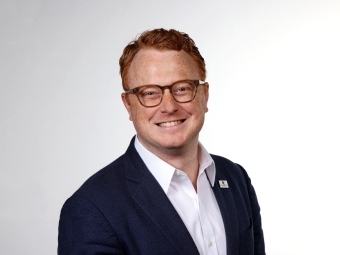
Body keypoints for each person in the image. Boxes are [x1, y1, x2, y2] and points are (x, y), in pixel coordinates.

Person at [58, 28, 265, 255]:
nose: (169, 106)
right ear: (128, 104)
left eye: (182, 88)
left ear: (204, 95)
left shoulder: (236, 179)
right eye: (150, 93)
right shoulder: (92, 208)